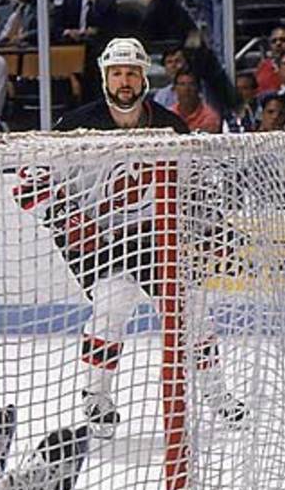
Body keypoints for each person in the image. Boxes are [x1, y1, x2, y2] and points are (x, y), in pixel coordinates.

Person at [49, 37, 245, 433]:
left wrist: (213, 227)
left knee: (191, 306)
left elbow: (193, 188)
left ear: (144, 79)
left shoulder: (170, 126)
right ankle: (96, 397)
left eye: (132, 74)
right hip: (98, 238)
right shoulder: (74, 126)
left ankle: (215, 393)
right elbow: (35, 184)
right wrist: (68, 220)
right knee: (113, 300)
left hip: (155, 236)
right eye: (117, 74)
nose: (124, 82)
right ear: (104, 78)